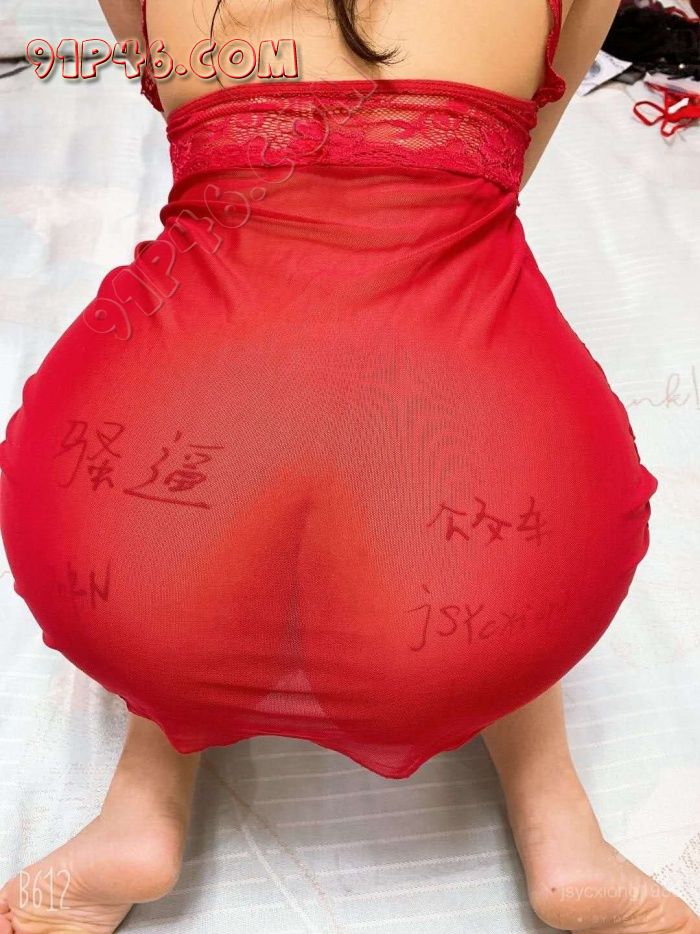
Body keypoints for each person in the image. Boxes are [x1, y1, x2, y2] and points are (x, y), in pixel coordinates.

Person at [1, 0, 698, 931]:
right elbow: (502, 178)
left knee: (205, 431)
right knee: (490, 442)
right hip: (490, 614)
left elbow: (182, 115)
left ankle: (140, 807)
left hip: (112, 565)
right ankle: (563, 834)